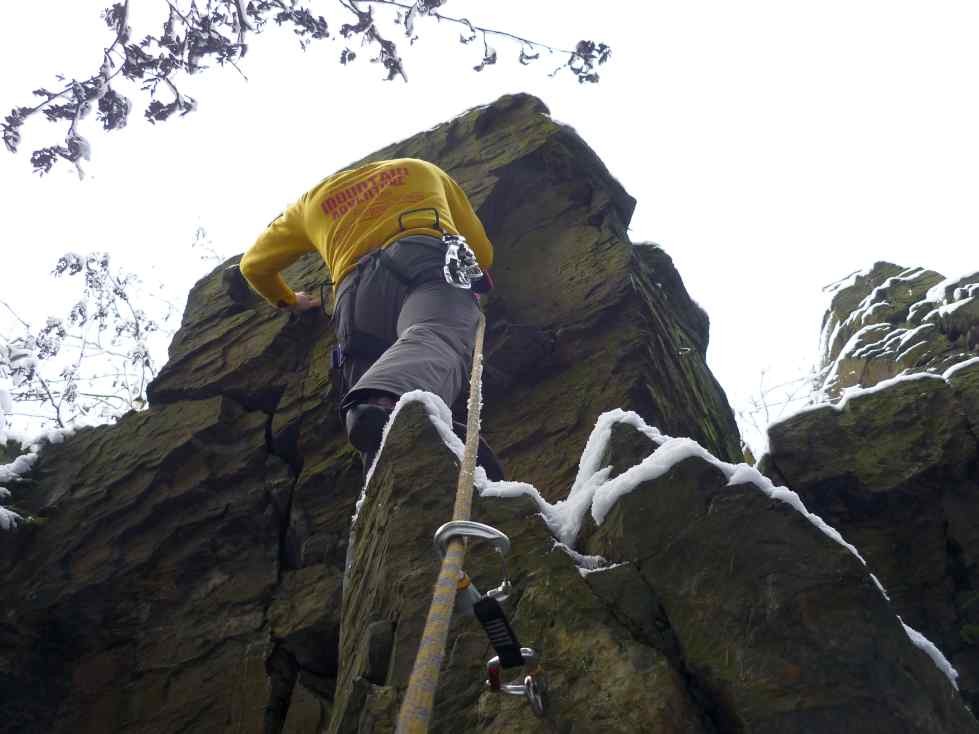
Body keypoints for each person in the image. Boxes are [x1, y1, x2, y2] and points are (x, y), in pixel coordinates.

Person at [238, 157, 503, 479]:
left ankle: (384, 480)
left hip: (354, 294)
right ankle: (388, 401)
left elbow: (253, 266)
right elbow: (482, 252)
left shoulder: (311, 202)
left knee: (368, 400)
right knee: (438, 328)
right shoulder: (420, 168)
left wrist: (290, 301)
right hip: (422, 255)